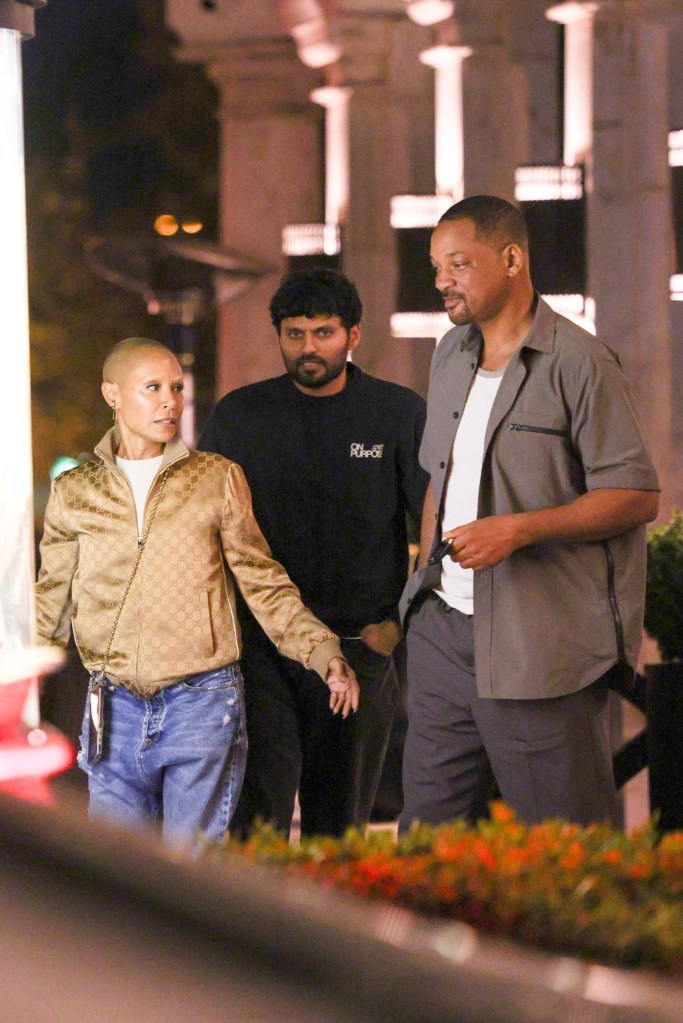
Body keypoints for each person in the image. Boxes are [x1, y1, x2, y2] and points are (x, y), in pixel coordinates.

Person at [398, 195, 660, 832]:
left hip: (539, 644)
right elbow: (442, 474)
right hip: (444, 634)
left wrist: (517, 530)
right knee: (424, 843)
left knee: (565, 842)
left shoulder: (581, 362)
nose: (441, 282)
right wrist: (425, 585)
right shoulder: (449, 353)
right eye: (436, 266)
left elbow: (635, 495)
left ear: (512, 258)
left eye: (458, 264)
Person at [35, 337, 359, 849]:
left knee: (192, 873)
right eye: (152, 388)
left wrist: (321, 650)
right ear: (112, 395)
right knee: (121, 878)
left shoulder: (215, 478)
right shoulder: (76, 490)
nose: (170, 400)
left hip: (202, 704)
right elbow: (49, 599)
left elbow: (262, 579)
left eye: (176, 388)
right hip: (112, 708)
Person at [199, 269, 428, 838]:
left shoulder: (397, 413)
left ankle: (328, 929)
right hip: (261, 649)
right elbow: (201, 528)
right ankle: (253, 928)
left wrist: (398, 626)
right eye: (294, 333)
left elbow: (434, 523)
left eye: (323, 333)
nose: (307, 348)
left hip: (359, 648)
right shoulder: (240, 416)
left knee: (340, 828)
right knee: (256, 822)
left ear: (353, 335)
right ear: (278, 334)